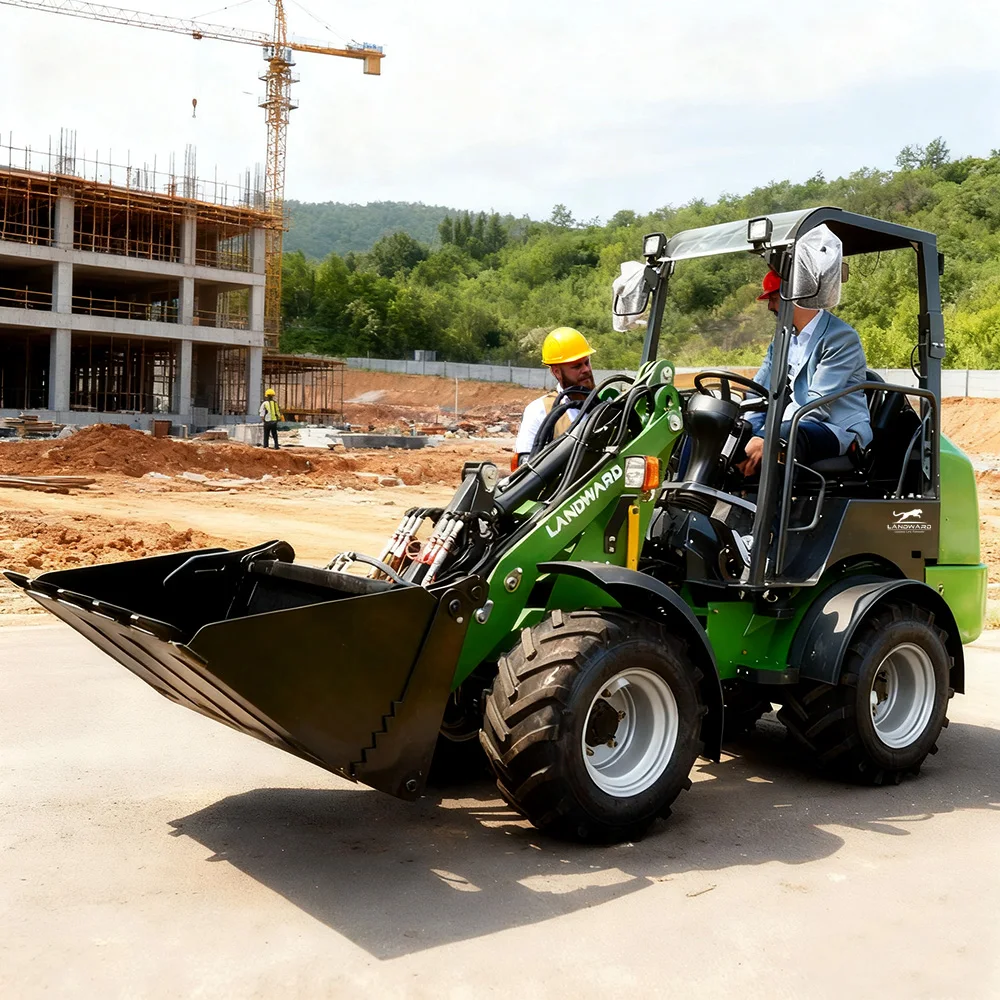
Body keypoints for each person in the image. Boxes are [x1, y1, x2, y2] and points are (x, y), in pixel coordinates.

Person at [737, 270, 872, 477]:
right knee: (717, 424)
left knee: (782, 436)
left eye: (773, 299)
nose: (770, 306)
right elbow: (759, 390)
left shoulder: (841, 338)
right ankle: (689, 502)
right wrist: (749, 428)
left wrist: (765, 435)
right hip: (796, 421)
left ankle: (766, 508)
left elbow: (817, 403)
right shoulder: (782, 340)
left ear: (795, 298)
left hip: (834, 427)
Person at [514, 327, 596, 464]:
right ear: (557, 372)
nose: (586, 370)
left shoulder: (608, 402)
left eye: (587, 362)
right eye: (577, 366)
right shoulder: (539, 411)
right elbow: (526, 463)